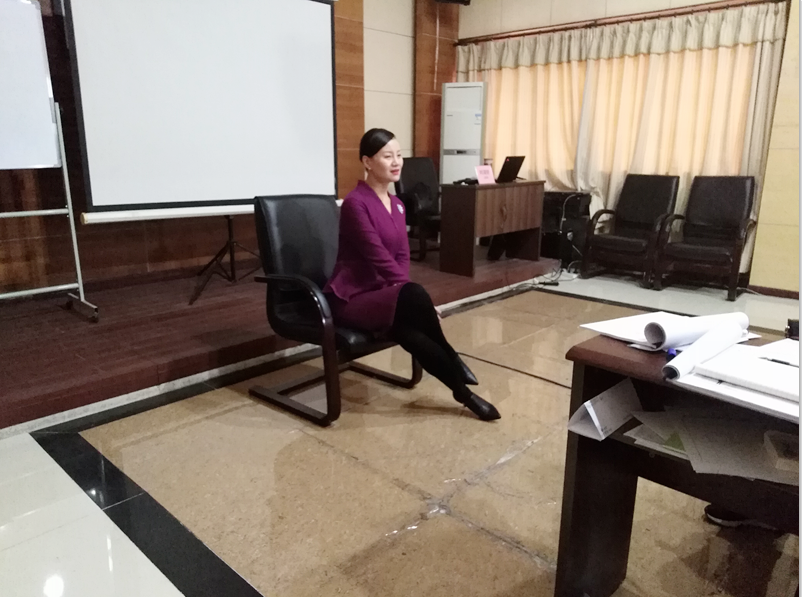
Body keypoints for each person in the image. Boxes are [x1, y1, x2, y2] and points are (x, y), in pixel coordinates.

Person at [323, 128, 500, 421]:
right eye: (387, 156)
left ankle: (463, 394)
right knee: (415, 294)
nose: (396, 162)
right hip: (353, 296)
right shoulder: (356, 203)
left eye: (399, 155)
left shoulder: (398, 205)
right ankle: (453, 358)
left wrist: (403, 293)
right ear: (367, 162)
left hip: (383, 293)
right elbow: (378, 257)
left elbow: (402, 256)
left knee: (409, 333)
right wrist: (413, 297)